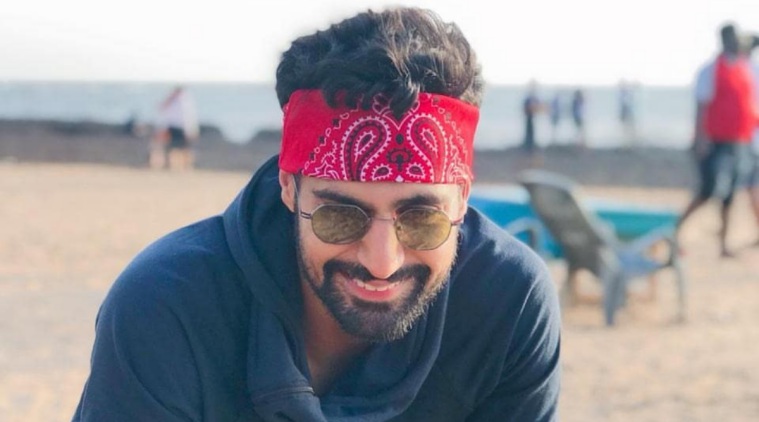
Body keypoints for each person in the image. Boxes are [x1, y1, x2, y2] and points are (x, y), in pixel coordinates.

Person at [72, 7, 561, 421]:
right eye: (341, 217)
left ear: (462, 199)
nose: (382, 262)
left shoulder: (508, 301)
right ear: (289, 186)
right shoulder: (168, 306)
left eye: (421, 221)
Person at [676, 23, 758, 258]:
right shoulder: (710, 70)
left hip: (740, 141)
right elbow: (701, 107)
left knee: (731, 194)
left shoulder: (744, 68)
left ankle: (723, 245)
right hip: (716, 142)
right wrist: (700, 139)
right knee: (707, 191)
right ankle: (675, 232)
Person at [150, 85, 200, 171]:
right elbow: (162, 109)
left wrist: (191, 129)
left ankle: (186, 167)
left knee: (185, 149)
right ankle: (168, 165)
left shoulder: (185, 100)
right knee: (169, 147)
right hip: (171, 126)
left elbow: (188, 116)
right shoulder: (173, 99)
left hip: (181, 127)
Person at [522, 79, 544, 153]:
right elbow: (526, 107)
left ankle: (530, 147)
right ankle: (528, 147)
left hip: (531, 116)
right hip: (529, 116)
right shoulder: (528, 98)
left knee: (531, 132)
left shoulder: (532, 98)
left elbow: (538, 105)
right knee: (529, 132)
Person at [618, 79, 637, 146]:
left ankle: (630, 139)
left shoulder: (624, 93)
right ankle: (628, 139)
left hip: (626, 111)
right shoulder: (623, 94)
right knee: (626, 126)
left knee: (628, 126)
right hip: (625, 111)